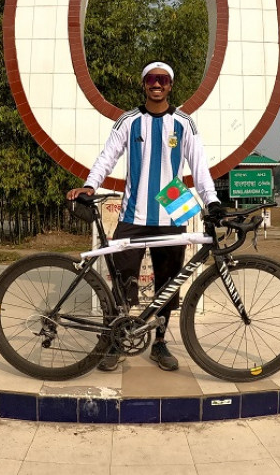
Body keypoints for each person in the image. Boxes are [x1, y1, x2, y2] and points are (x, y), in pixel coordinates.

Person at [66, 62, 222, 373]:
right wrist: (89, 184)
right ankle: (115, 341)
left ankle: (160, 343)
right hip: (133, 213)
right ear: (144, 84)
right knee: (124, 282)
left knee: (168, 284)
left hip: (173, 208)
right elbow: (107, 156)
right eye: (151, 79)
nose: (157, 84)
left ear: (170, 85)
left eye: (163, 79)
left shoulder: (184, 123)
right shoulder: (129, 121)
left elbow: (199, 167)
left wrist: (213, 201)